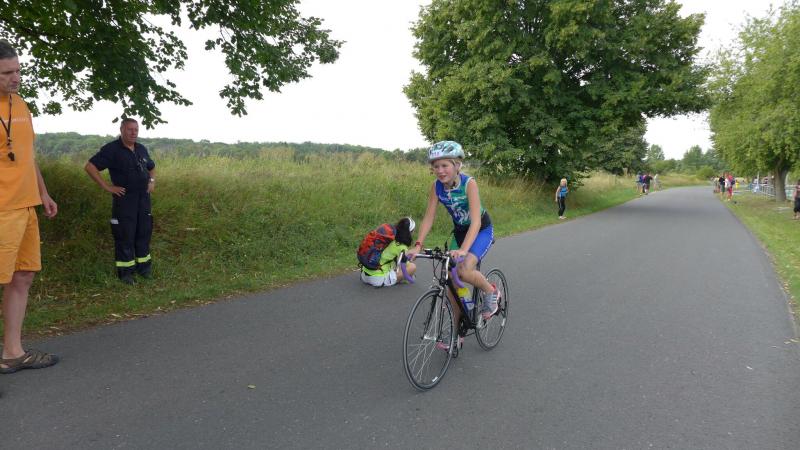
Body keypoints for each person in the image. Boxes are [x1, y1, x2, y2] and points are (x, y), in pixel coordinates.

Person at [0, 40, 60, 374]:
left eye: (18, 71)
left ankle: (12, 352)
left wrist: (44, 193)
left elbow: (26, 155)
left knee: (22, 276)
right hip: (2, 208)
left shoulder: (21, 104)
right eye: (6, 73)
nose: (15, 78)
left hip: (26, 205)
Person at [407, 141, 500, 337]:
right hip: (459, 232)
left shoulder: (469, 184)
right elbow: (429, 217)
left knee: (464, 270)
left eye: (445, 165)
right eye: (436, 166)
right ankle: (457, 331)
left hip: (480, 230)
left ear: (457, 165)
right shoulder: (436, 187)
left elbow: (476, 222)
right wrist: (418, 245)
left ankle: (490, 291)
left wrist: (464, 250)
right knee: (452, 281)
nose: (440, 171)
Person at [85, 119, 156, 284]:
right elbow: (90, 167)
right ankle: (126, 273)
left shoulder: (141, 148)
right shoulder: (112, 149)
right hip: (125, 200)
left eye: (136, 129)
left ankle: (144, 269)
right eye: (130, 129)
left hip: (143, 199)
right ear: (122, 130)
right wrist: (107, 187)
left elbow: (151, 167)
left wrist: (152, 182)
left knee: (143, 233)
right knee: (125, 235)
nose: (133, 133)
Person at [360, 217, 417, 287]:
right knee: (412, 267)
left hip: (364, 275)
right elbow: (404, 265)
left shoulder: (388, 237)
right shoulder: (401, 246)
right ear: (409, 232)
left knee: (393, 262)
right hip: (378, 279)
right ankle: (398, 279)